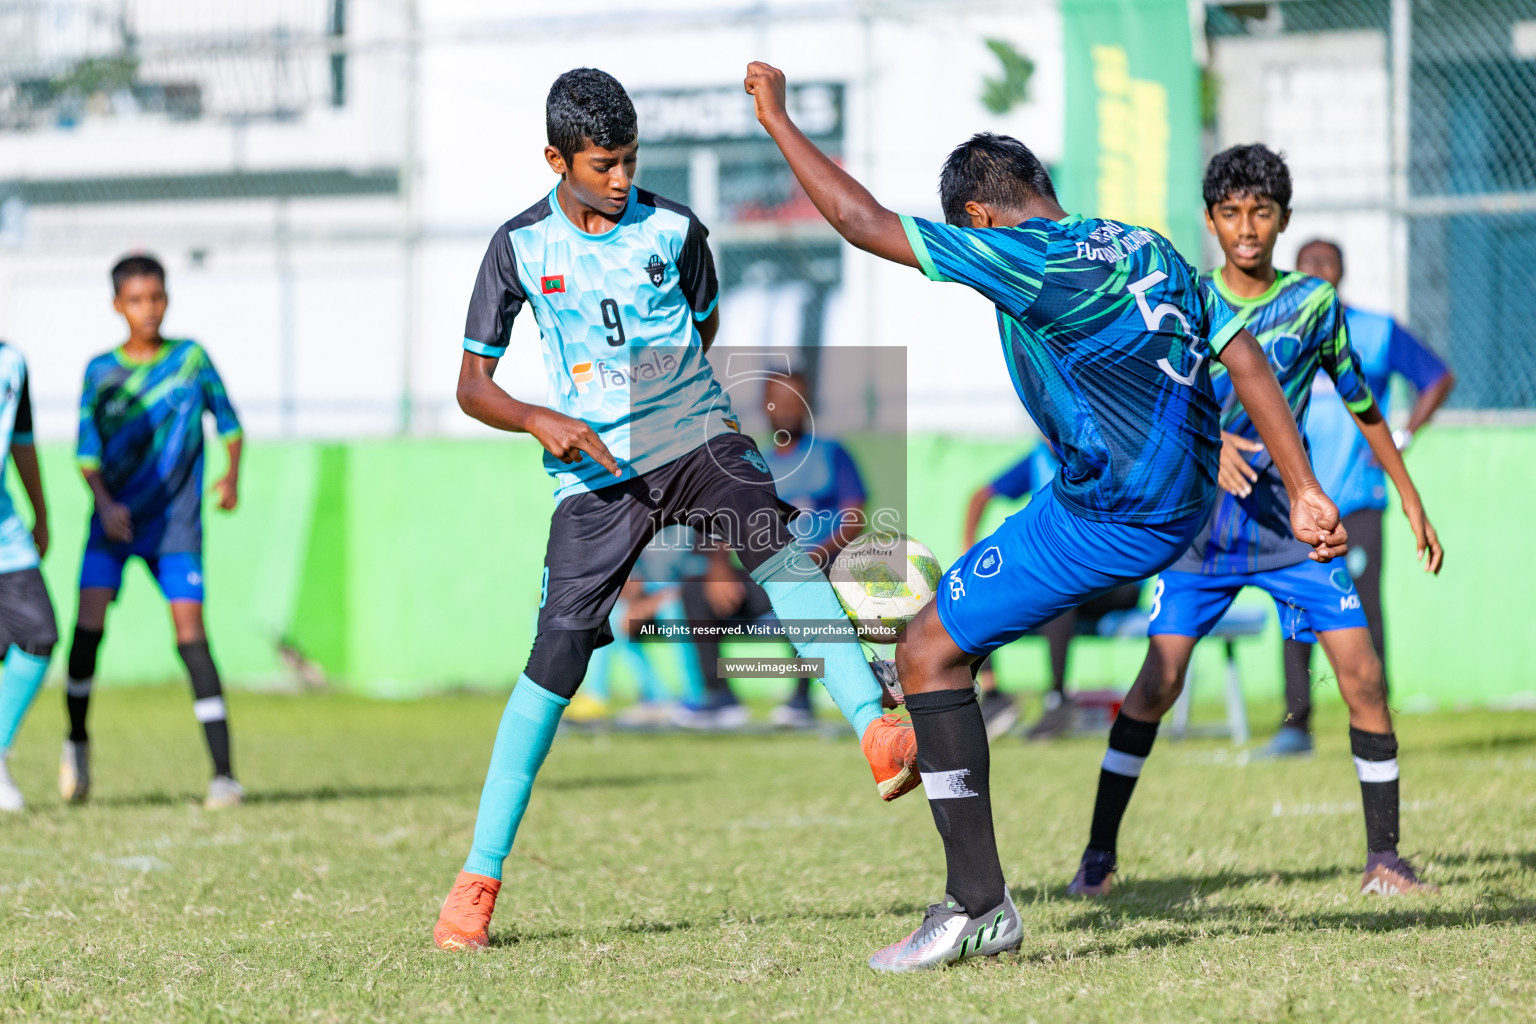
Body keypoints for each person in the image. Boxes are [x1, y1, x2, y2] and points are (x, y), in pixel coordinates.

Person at [747, 62, 1343, 971]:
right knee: (938, 636)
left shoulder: (1026, 254)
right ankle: (923, 719)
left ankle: (975, 904)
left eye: (965, 235)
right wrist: (1303, 484)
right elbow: (1247, 356)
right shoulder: (1140, 246)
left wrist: (779, 119)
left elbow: (862, 222)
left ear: (981, 219)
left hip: (1115, 513)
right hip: (1133, 498)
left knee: (927, 649)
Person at [432, 68, 918, 952]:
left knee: (776, 545)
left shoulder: (677, 229)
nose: (621, 179)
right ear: (556, 159)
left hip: (694, 435)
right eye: (602, 164)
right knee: (556, 657)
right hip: (593, 476)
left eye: (630, 160)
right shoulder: (515, 249)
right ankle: (478, 878)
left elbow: (700, 325)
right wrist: (542, 418)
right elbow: (472, 386)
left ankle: (876, 729)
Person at [1066, 145, 1444, 904]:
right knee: (1158, 682)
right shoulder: (1180, 302)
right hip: (1202, 532)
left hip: (1292, 530)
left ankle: (1386, 860)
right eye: (1232, 213)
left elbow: (1363, 401)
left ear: (1283, 221)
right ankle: (1098, 859)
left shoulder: (1312, 303)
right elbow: (1145, 412)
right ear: (1211, 221)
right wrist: (1219, 445)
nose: (1247, 227)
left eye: (1261, 213)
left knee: (1363, 674)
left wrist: (1407, 493)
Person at [61, 254, 245, 810]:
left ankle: (223, 776)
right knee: (87, 629)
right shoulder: (100, 371)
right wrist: (106, 503)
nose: (148, 309)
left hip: (176, 525)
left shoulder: (190, 360)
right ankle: (76, 743)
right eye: (136, 300)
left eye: (156, 297)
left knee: (191, 635)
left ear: (167, 298)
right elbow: (85, 452)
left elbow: (230, 423)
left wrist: (231, 474)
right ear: (118, 305)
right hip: (113, 524)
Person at [1261, 237, 1455, 757]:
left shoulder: (1375, 330)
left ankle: (1375, 723)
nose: (1317, 273)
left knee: (1363, 609)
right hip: (1297, 500)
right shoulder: (1277, 334)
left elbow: (1438, 377)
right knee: (1296, 606)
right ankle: (1294, 725)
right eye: (1307, 266)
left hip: (1360, 497)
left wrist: (1404, 435)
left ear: (1341, 273)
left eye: (1326, 265)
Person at [677, 369, 867, 729]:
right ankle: (720, 697)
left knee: (808, 587)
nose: (787, 410)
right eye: (778, 401)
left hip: (817, 566)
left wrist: (812, 558)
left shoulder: (832, 453)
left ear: (807, 405)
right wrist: (718, 567)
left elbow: (854, 519)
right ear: (766, 407)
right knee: (696, 586)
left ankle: (800, 701)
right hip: (764, 573)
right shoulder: (749, 461)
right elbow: (718, 520)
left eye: (795, 401)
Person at [963, 443, 1141, 740]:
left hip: (1119, 582)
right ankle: (994, 697)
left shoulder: (1101, 460)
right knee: (984, 590)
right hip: (1067, 579)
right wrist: (968, 547)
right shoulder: (1037, 459)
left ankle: (1058, 700)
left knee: (1059, 589)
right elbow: (979, 497)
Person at [0, 341, 58, 812]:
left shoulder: (12, 362)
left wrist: (40, 512)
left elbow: (21, 442)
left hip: (6, 536)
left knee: (38, 634)